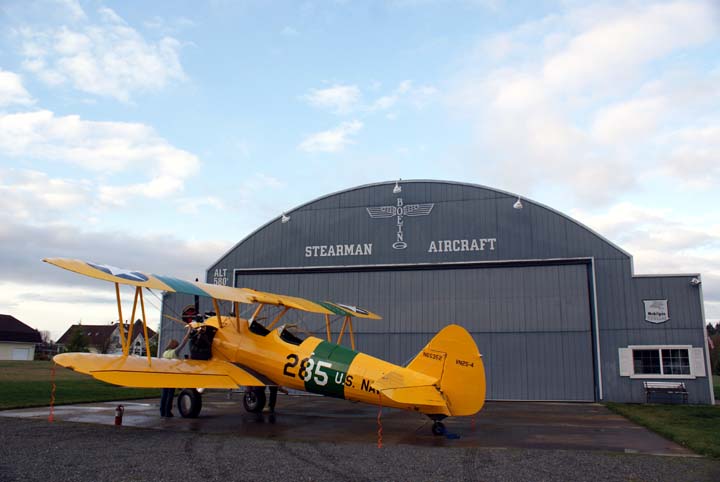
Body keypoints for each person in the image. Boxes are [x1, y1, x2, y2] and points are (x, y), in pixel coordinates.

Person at [159, 331, 190, 417]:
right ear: (175, 346)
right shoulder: (174, 352)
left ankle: (162, 411)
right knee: (170, 395)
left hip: (165, 375)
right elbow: (184, 343)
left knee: (164, 394)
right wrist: (189, 332)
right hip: (172, 376)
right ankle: (168, 411)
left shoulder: (165, 353)